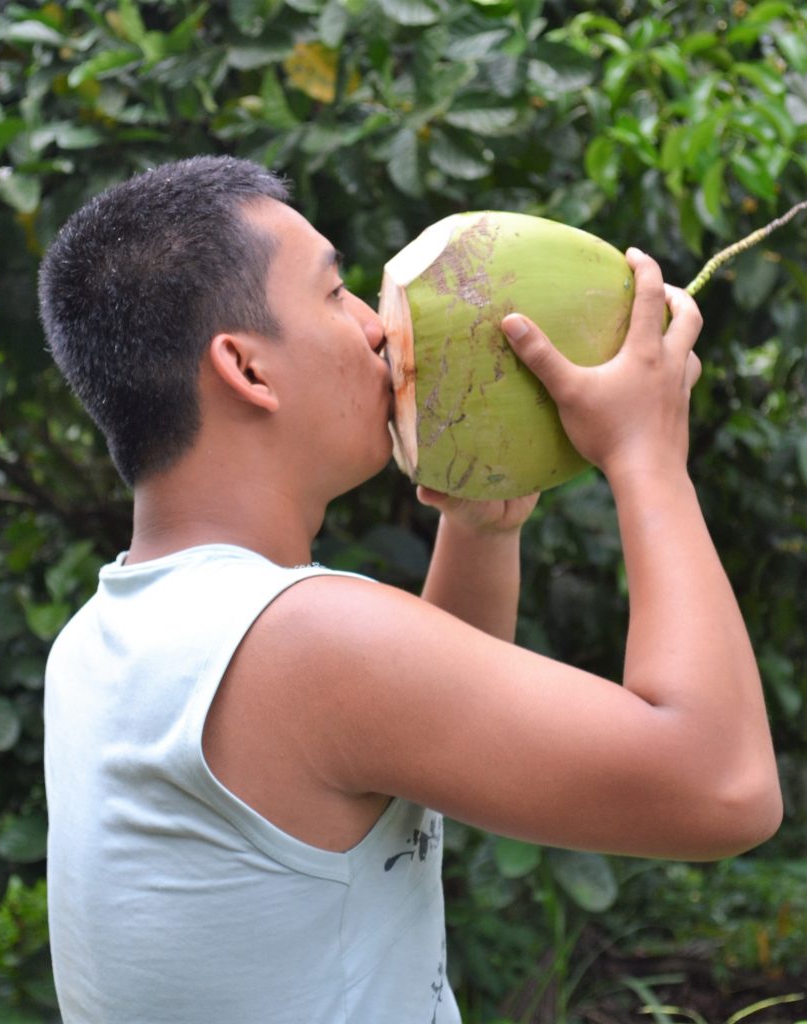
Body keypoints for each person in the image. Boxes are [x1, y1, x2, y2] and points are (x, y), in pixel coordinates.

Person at [38, 155, 782, 1024]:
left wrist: (479, 528)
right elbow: (724, 787)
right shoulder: (302, 640)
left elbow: (395, 757)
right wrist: (648, 458)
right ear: (247, 370)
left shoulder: (103, 637)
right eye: (334, 294)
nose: (376, 329)